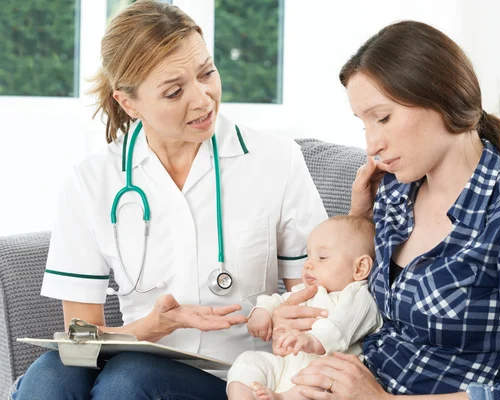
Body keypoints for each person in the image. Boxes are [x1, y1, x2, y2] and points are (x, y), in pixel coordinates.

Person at [13, 1, 327, 399]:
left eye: (207, 73)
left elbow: (317, 296)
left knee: (127, 381)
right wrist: (153, 326)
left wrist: (278, 320)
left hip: (239, 378)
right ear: (129, 103)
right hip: (134, 356)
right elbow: (82, 338)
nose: (203, 100)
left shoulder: (275, 160)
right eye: (175, 91)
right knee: (50, 374)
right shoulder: (92, 181)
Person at [275, 21, 500, 400]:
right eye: (363, 125)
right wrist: (358, 218)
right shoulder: (395, 194)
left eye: (382, 118)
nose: (373, 145)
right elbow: (361, 306)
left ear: (443, 97)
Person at [227, 215, 382, 400]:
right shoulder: (309, 291)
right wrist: (262, 311)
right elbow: (279, 299)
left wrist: (312, 340)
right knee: (247, 361)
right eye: (308, 256)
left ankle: (282, 397)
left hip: (327, 371)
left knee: (324, 379)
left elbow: (340, 327)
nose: (308, 264)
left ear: (360, 268)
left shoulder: (360, 297)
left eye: (322, 257)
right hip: (287, 366)